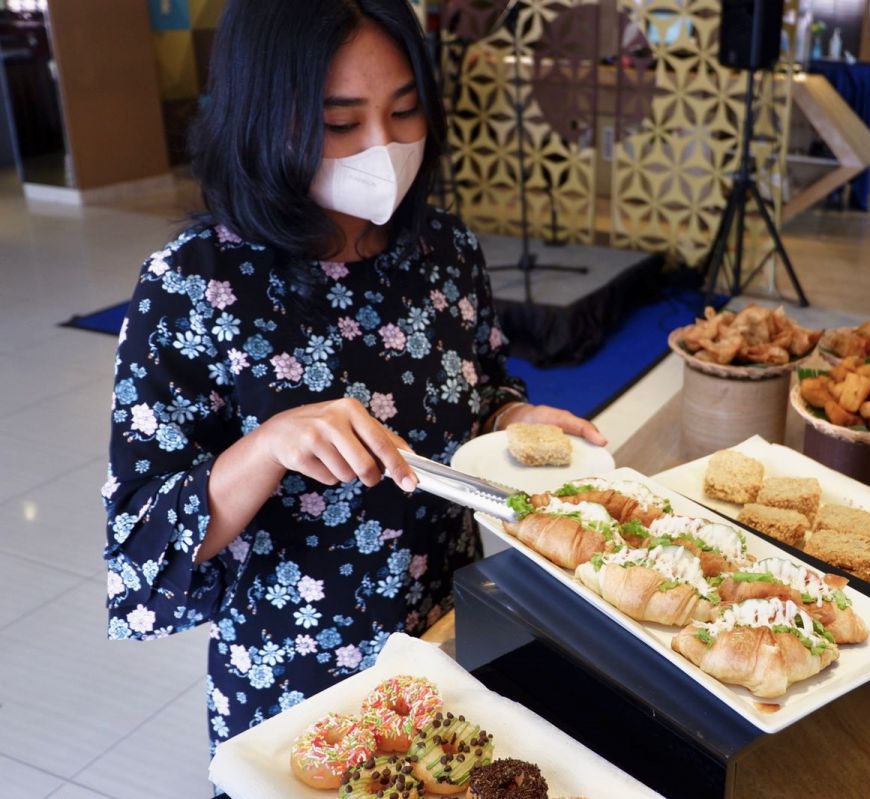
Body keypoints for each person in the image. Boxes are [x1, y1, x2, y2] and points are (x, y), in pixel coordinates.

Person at [101, 0, 604, 754]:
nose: (384, 147)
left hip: (451, 640)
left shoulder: (442, 251)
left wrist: (508, 421)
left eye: (405, 112)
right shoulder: (193, 285)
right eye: (341, 124)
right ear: (264, 114)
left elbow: (481, 382)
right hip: (299, 683)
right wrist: (267, 446)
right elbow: (138, 548)